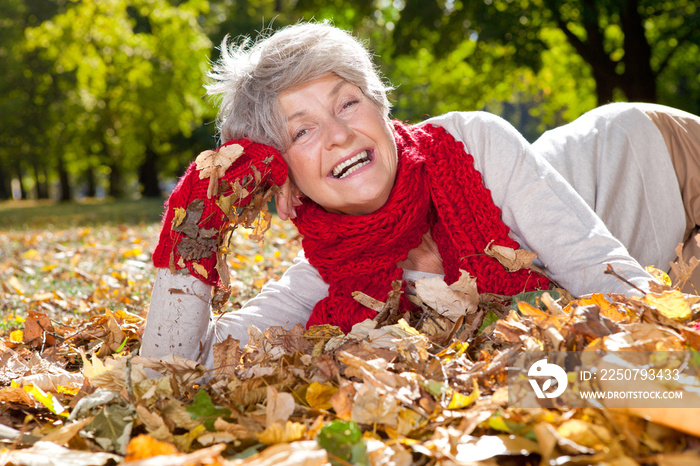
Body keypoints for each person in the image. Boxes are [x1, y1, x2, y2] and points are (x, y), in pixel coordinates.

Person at [140, 21, 699, 369]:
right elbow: (173, 370)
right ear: (281, 181)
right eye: (301, 131)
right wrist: (199, 218)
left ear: (384, 108)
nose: (338, 134)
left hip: (656, 155)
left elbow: (612, 283)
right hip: (673, 256)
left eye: (348, 102)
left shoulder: (470, 140)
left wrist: (656, 379)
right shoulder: (322, 282)